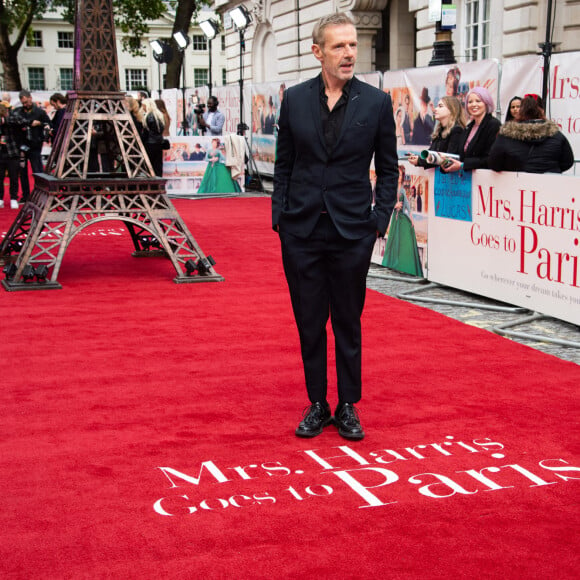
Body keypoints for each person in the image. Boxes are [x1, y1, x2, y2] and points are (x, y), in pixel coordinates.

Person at [272, 12, 398, 441]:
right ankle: (317, 403)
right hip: (302, 230)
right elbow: (283, 165)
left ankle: (347, 404)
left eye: (352, 45)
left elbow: (389, 168)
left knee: (347, 319)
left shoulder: (377, 103)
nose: (349, 53)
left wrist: (377, 222)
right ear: (317, 52)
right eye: (339, 46)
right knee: (309, 321)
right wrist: (280, 219)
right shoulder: (294, 100)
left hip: (352, 232)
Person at [488, 94, 574, 174]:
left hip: (515, 185)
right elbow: (567, 162)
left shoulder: (505, 135)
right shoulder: (557, 135)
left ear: (521, 111)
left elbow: (494, 163)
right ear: (542, 111)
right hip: (549, 185)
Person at [443, 86, 501, 173]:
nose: (473, 105)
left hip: (486, 180)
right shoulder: (468, 127)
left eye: (478, 101)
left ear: (487, 103)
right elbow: (462, 154)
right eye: (470, 102)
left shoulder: (493, 125)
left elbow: (491, 158)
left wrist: (463, 165)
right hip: (468, 180)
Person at [9, 90, 51, 204]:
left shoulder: (40, 112)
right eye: (23, 103)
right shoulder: (17, 112)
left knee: (38, 171)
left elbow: (48, 123)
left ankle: (41, 194)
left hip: (35, 144)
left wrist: (40, 124)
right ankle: (26, 195)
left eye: (27, 102)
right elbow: (13, 124)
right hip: (21, 145)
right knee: (22, 172)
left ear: (30, 98)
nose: (25, 105)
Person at [382, 166, 423, 277]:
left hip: (401, 217)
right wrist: (394, 205)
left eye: (400, 175)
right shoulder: (392, 188)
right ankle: (393, 264)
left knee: (404, 237)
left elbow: (407, 206)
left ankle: (404, 265)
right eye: (397, 174)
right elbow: (386, 202)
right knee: (393, 240)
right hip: (395, 218)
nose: (399, 177)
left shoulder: (403, 190)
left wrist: (412, 219)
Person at [407, 96, 466, 168]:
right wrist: (418, 158)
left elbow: (448, 160)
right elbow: (432, 153)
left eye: (440, 106)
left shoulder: (457, 130)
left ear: (452, 110)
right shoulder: (439, 131)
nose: (435, 109)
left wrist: (419, 161)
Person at [0, 102, 20, 209]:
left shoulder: (12, 118)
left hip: (12, 153)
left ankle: (13, 198)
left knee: (13, 177)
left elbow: (19, 121)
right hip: (1, 153)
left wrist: (4, 120)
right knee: (0, 177)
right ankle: (0, 198)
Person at [141, 98, 165, 177]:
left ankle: (152, 181)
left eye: (143, 106)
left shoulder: (148, 116)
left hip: (150, 144)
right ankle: (158, 182)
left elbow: (146, 132)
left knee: (150, 164)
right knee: (158, 165)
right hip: (159, 143)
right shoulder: (159, 115)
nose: (142, 108)